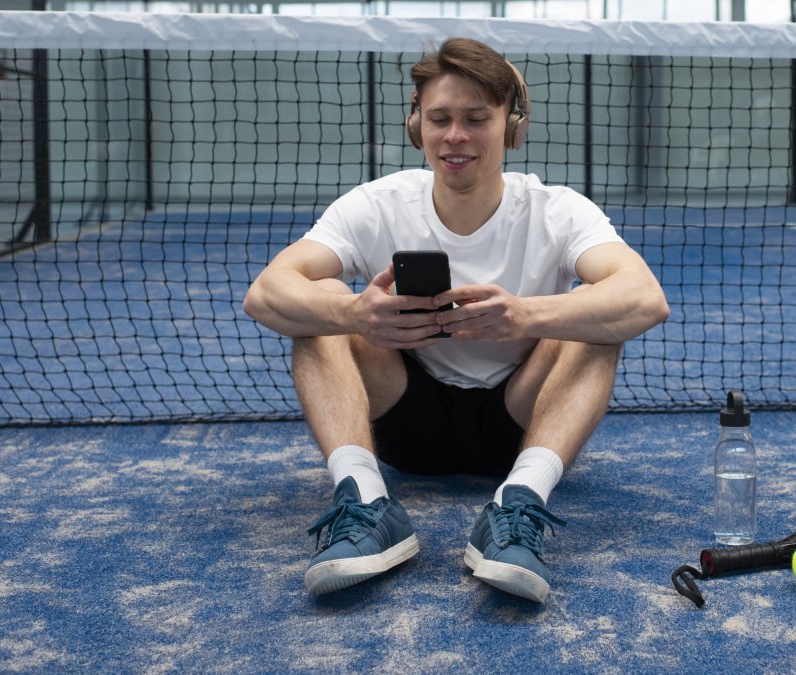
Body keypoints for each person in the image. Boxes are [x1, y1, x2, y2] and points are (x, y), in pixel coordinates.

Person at [243, 37, 669, 603]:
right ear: (416, 126)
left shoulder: (558, 209)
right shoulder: (376, 204)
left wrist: (524, 314)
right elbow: (265, 294)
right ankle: (368, 503)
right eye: (440, 118)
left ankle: (518, 504)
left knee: (598, 315)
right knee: (316, 298)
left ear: (512, 128)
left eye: (476, 119)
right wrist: (357, 313)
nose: (456, 136)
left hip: (517, 422)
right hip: (404, 417)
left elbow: (645, 299)